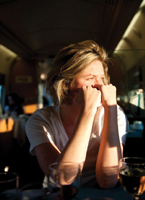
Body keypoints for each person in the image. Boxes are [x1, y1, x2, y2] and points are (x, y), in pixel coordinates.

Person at [25, 40, 128, 189]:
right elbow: (62, 180)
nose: (100, 86)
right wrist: (87, 112)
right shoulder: (41, 120)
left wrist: (111, 108)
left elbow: (108, 180)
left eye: (101, 78)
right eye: (90, 78)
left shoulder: (114, 114)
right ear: (66, 83)